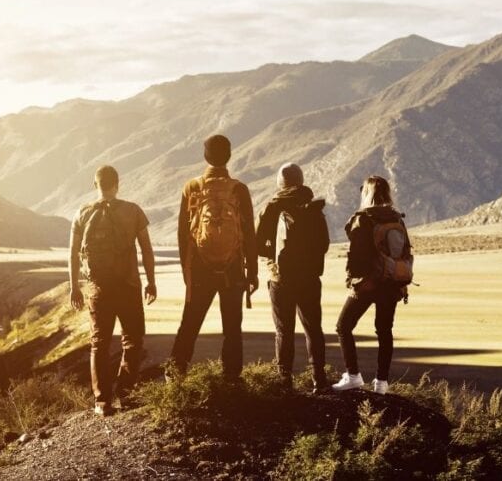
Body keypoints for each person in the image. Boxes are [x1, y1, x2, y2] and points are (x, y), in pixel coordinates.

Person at [69, 165, 157, 416]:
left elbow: (73, 253)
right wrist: (151, 281)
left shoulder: (82, 213)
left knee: (99, 344)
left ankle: (102, 401)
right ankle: (127, 394)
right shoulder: (133, 211)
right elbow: (147, 249)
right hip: (128, 286)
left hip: (98, 289)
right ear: (118, 184)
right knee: (133, 340)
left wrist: (75, 286)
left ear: (94, 185)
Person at [168, 135, 258, 381]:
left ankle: (175, 377)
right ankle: (231, 379)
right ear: (229, 156)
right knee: (232, 328)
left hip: (199, 270)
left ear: (205, 156)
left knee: (189, 326)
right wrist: (253, 272)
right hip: (233, 270)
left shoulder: (192, 187)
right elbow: (250, 233)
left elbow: (182, 233)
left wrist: (187, 272)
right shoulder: (239, 189)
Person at [332, 176, 414, 395]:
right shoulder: (397, 219)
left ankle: (353, 376)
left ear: (366, 194)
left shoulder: (363, 218)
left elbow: (356, 255)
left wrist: (353, 280)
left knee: (343, 326)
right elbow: (406, 251)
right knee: (384, 330)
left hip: (369, 283)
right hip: (393, 283)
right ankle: (381, 383)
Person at [255, 163, 330, 393]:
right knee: (313, 329)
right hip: (309, 278)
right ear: (301, 179)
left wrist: (273, 260)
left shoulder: (273, 207)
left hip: (281, 278)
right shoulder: (313, 206)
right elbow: (324, 244)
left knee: (284, 331)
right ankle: (319, 380)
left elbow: (258, 244)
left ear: (281, 182)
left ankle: (285, 381)